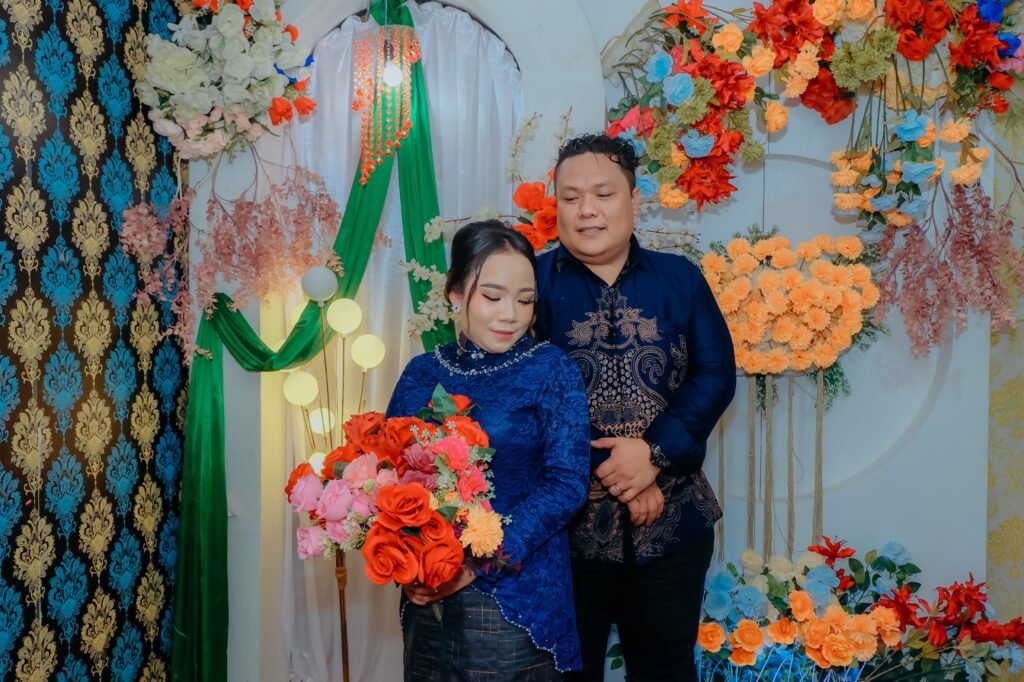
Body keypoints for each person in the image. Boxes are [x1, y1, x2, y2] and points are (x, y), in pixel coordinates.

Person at [534, 133, 737, 681]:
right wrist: (621, 472)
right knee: (564, 673)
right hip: (565, 537)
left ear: (633, 199)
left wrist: (653, 455)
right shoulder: (530, 285)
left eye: (603, 194)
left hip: (674, 525)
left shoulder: (680, 278)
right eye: (571, 197)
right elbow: (521, 395)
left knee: (666, 670)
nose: (587, 210)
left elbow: (715, 375)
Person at [386, 220, 591, 681]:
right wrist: (409, 559)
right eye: (493, 297)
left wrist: (477, 562)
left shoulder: (550, 368)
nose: (510, 315)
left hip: (518, 593)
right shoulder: (421, 372)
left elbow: (566, 485)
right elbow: (391, 474)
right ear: (455, 293)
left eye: (525, 300)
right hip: (427, 590)